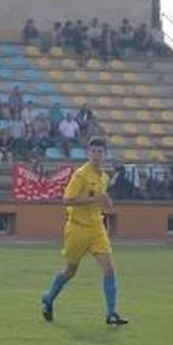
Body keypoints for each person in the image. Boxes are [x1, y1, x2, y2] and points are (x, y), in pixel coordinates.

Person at [39, 137, 128, 326]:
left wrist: (106, 200)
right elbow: (67, 200)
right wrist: (93, 199)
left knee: (110, 268)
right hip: (77, 229)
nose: (96, 155)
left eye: (100, 151)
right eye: (93, 151)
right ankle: (49, 298)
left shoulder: (104, 176)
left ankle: (111, 314)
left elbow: (100, 196)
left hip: (96, 228)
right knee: (70, 271)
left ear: (105, 154)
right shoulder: (80, 175)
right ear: (88, 153)